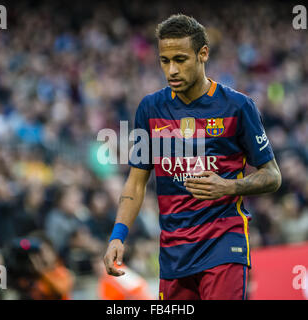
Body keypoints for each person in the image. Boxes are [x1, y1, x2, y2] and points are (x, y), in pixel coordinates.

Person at [104, 14, 282, 300]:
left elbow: (273, 175)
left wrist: (229, 186)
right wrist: (118, 235)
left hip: (224, 243)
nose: (171, 70)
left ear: (203, 54)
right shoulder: (150, 109)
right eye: (164, 61)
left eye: (180, 59)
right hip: (174, 253)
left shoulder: (237, 106)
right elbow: (136, 182)